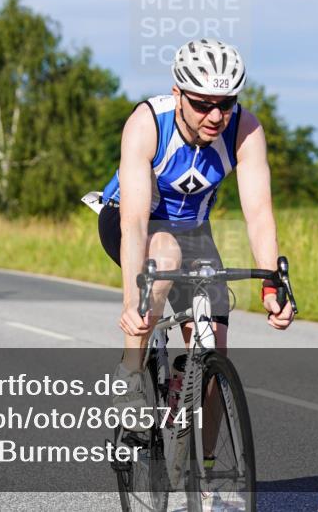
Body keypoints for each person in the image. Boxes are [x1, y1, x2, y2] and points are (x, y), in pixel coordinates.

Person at [90, 38, 294, 428]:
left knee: (214, 348)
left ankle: (207, 478)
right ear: (178, 94)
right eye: (201, 104)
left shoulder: (245, 129)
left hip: (193, 231)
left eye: (226, 103)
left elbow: (259, 215)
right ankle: (131, 372)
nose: (215, 116)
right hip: (130, 220)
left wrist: (272, 283)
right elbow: (134, 223)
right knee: (165, 253)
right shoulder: (148, 123)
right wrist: (133, 303)